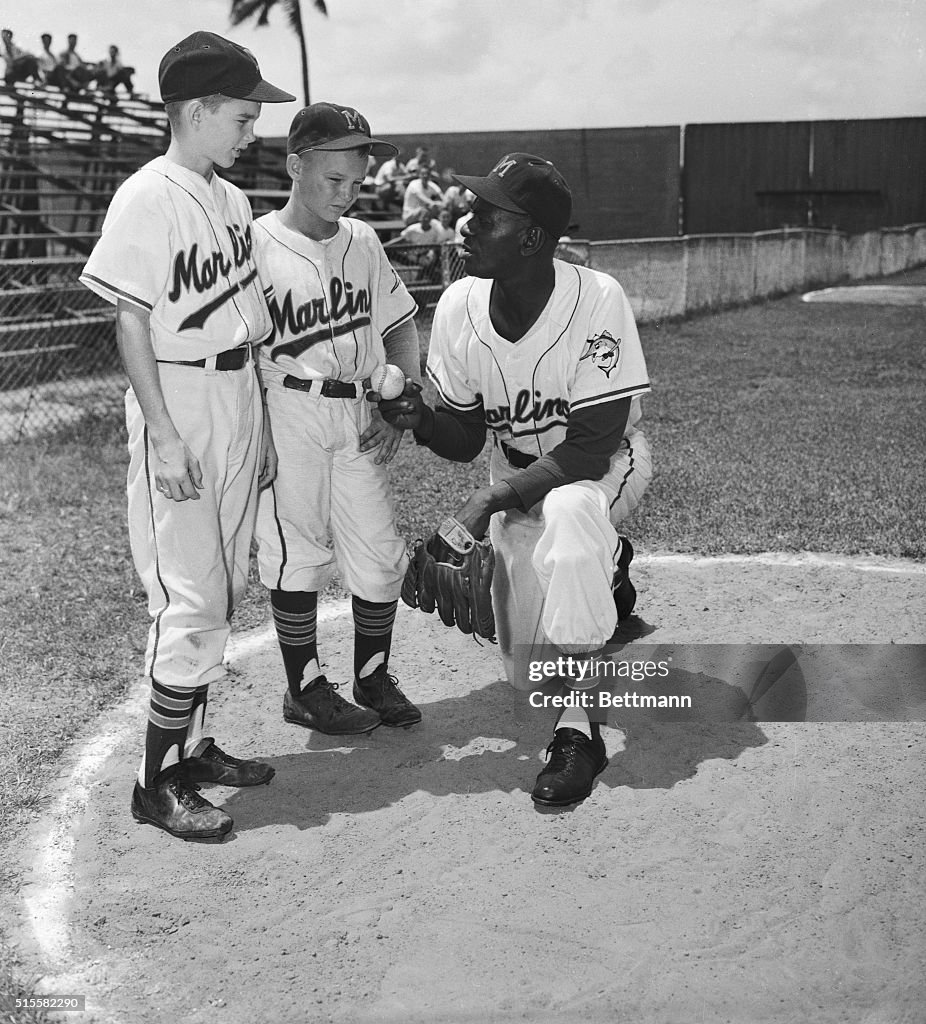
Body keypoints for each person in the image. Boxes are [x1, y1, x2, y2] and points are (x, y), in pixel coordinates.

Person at [378, 153, 653, 807]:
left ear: (532, 237)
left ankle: (578, 734)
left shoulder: (597, 300)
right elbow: (467, 437)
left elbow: (588, 451)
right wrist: (419, 418)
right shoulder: (459, 307)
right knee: (533, 672)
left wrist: (490, 500)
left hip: (604, 465)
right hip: (513, 472)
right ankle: (602, 575)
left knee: (571, 514)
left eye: (484, 215)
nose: (464, 225)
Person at [79, 32, 295, 841]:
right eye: (242, 117)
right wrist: (165, 437)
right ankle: (153, 783)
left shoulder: (229, 198)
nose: (252, 132)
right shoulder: (147, 194)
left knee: (222, 582)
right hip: (182, 394)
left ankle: (194, 748)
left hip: (237, 391)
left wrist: (261, 426)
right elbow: (129, 320)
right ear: (198, 112)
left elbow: (249, 321)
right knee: (189, 595)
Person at [253, 102, 423, 738]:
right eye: (334, 181)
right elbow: (242, 351)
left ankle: (371, 674)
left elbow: (402, 324)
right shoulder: (257, 243)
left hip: (355, 408)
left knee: (380, 553)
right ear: (296, 166)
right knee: (296, 549)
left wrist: (398, 399)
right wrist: (258, 430)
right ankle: (303, 689)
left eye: (356, 182)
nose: (348, 195)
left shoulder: (364, 241)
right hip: (288, 404)